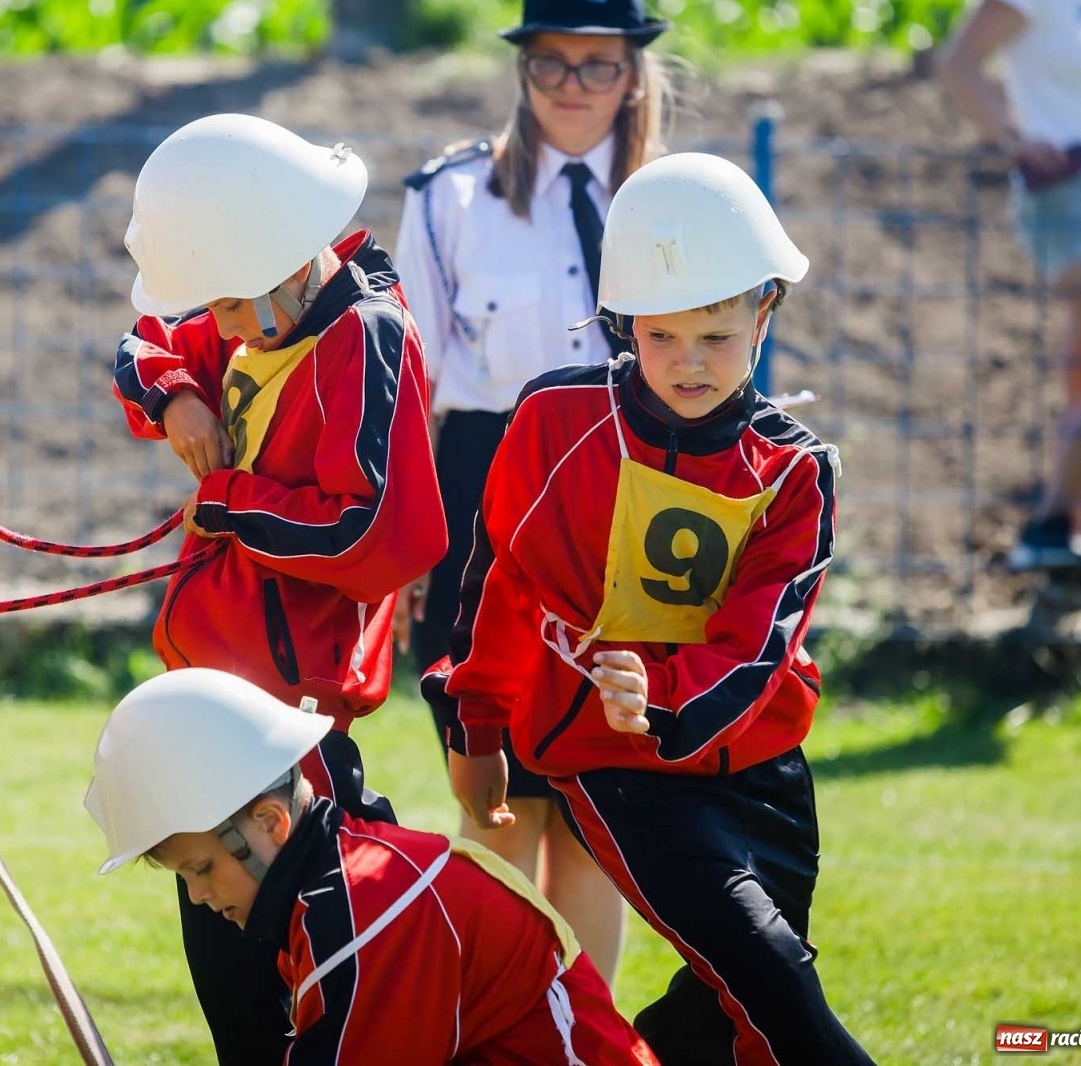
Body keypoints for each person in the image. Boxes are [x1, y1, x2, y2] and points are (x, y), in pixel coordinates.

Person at [424, 152, 877, 1065]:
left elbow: (760, 643)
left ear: (765, 310)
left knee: (723, 1004)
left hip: (762, 767)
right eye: (661, 337)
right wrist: (477, 728)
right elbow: (496, 582)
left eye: (715, 335)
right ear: (625, 324)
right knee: (779, 990)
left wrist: (664, 695)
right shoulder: (554, 419)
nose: (688, 363)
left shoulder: (797, 471)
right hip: (611, 763)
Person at [111, 113, 447, 1062]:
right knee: (224, 962)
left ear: (294, 256)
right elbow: (142, 346)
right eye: (215, 311)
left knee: (306, 967)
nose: (227, 328)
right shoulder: (245, 313)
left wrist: (226, 504)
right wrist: (179, 393)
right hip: (219, 695)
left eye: (233, 304)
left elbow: (373, 529)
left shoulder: (366, 338)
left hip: (292, 713)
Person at [391, 0, 672, 978]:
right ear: (522, 68)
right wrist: (404, 554)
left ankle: (579, 1038)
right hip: (480, 502)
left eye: (596, 65)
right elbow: (407, 390)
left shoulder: (675, 200)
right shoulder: (449, 197)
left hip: (627, 498)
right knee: (495, 798)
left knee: (596, 817)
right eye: (549, 61)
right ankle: (494, 1031)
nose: (570, 85)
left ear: (633, 74)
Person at [84, 668, 661, 1066]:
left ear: (270, 822)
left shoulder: (361, 917)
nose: (200, 896)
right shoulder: (330, 882)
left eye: (202, 867)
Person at [937, 0, 1081, 609]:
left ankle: (1071, 555)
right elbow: (960, 65)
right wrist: (1013, 138)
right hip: (1065, 190)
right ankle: (1048, 524)